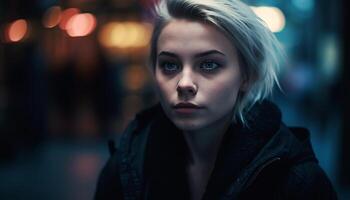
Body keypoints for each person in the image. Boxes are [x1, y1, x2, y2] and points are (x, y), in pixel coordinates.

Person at [94, 0, 337, 199]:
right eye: (169, 65)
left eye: (209, 65)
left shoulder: (297, 182)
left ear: (247, 75)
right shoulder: (126, 166)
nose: (184, 83)